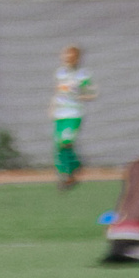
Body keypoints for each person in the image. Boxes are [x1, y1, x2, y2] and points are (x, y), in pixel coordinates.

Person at [51, 46, 96, 191]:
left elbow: (93, 93)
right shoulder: (61, 73)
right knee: (59, 144)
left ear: (76, 57)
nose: (66, 58)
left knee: (66, 141)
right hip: (60, 114)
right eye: (65, 55)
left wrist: (82, 96)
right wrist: (52, 106)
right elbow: (57, 92)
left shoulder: (83, 75)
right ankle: (69, 174)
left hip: (74, 113)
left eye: (70, 56)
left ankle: (73, 167)